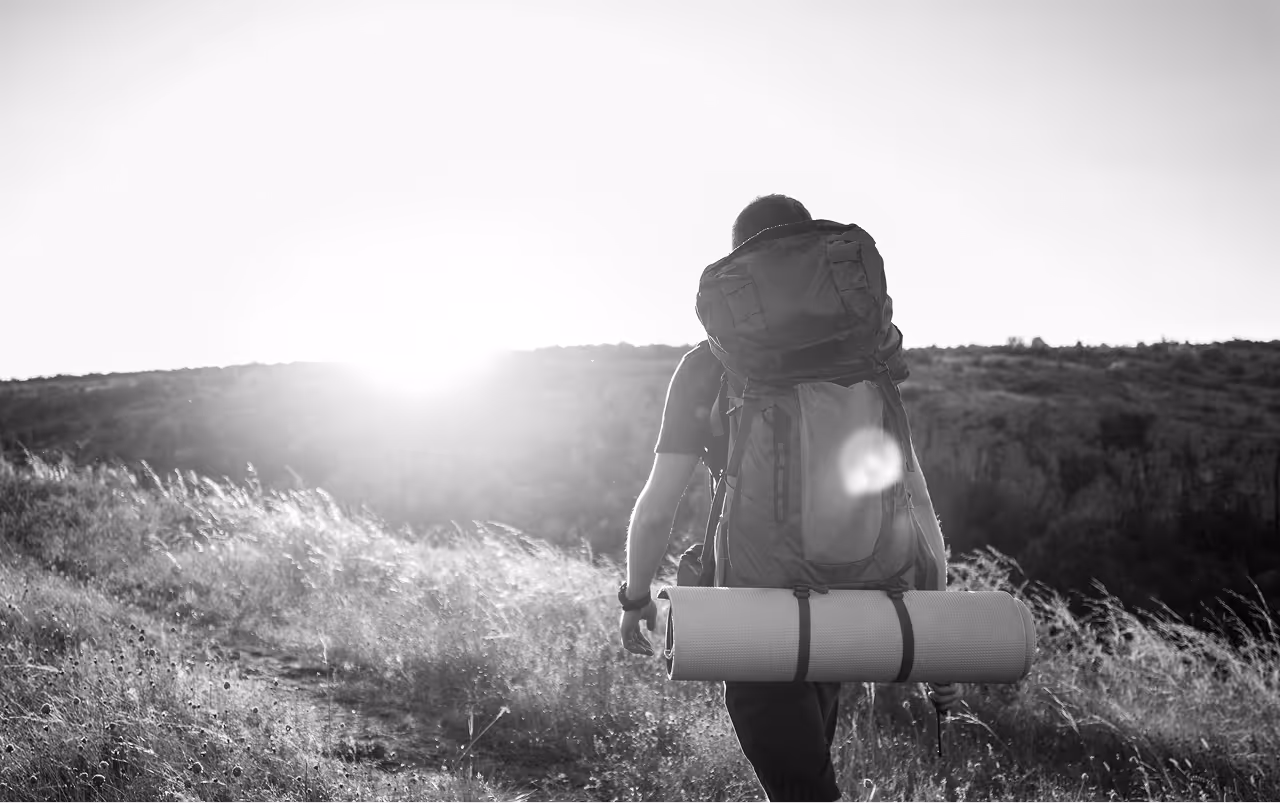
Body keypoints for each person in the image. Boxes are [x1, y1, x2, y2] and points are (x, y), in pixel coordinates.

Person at [618, 195, 962, 802]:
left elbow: (656, 506)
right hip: (851, 603)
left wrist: (636, 598)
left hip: (755, 611)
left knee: (803, 793)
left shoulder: (712, 365)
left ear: (743, 263)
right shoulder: (866, 363)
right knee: (805, 786)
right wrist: (931, 637)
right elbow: (919, 507)